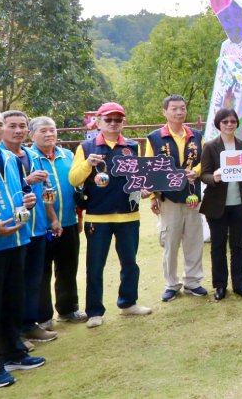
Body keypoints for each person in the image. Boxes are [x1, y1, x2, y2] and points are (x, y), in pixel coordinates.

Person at [69, 102, 152, 328]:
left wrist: (144, 189)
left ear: (124, 122)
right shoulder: (86, 147)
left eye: (118, 120)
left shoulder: (133, 146)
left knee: (130, 263)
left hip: (129, 215)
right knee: (95, 265)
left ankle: (128, 303)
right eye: (109, 119)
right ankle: (94, 311)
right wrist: (87, 164)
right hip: (98, 216)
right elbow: (74, 179)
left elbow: (140, 178)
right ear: (98, 122)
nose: (114, 124)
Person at [0, 108, 45, 389]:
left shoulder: (11, 158)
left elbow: (21, 193)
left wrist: (25, 209)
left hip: (16, 240)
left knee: (12, 301)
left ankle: (13, 352)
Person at [145, 95, 206, 302]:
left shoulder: (196, 135)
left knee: (194, 241)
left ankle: (193, 281)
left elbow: (204, 161)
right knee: (170, 243)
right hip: (168, 198)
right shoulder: (154, 138)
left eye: (182, 108)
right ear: (164, 112)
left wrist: (196, 172)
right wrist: (153, 196)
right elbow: (149, 168)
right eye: (174, 109)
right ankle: (171, 284)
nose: (179, 112)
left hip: (192, 197)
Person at [29, 117, 87, 330]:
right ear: (31, 135)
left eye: (52, 130)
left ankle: (68, 308)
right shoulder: (28, 158)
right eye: (43, 131)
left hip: (69, 221)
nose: (49, 134)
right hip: (41, 226)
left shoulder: (68, 155)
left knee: (68, 267)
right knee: (41, 272)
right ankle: (43, 317)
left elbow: (77, 188)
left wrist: (79, 216)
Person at [1, 111, 54, 343]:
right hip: (11, 232)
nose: (18, 130)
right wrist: (26, 182)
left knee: (35, 279)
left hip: (38, 227)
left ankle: (29, 325)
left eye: (22, 125)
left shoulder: (34, 155)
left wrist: (52, 218)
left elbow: (47, 192)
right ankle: (11, 335)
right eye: (12, 125)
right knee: (12, 284)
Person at [199, 108, 242, 300]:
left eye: (232, 121)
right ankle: (220, 285)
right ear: (218, 124)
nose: (229, 124)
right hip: (217, 205)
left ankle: (239, 284)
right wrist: (214, 177)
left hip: (239, 203)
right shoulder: (210, 146)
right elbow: (203, 175)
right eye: (225, 122)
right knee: (218, 245)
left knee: (238, 246)